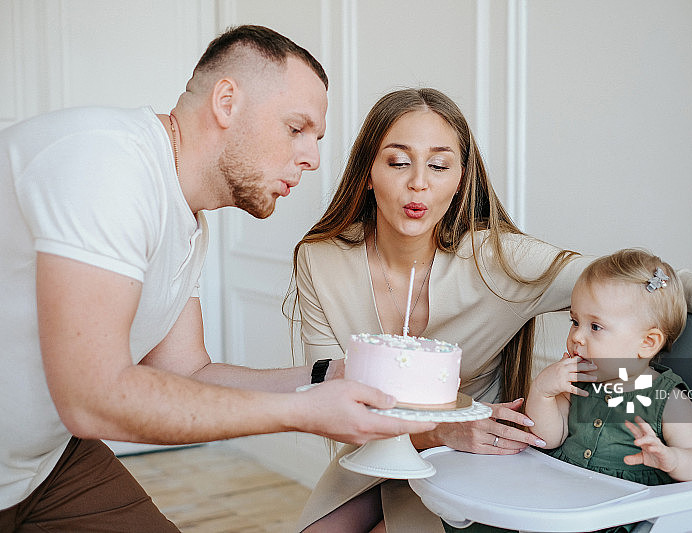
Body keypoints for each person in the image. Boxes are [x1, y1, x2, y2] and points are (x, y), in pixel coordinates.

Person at [289, 87, 692, 533]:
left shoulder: (503, 261)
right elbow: (328, 398)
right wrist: (439, 429)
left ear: (462, 179)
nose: (418, 183)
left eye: (439, 165)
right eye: (398, 161)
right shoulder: (320, 260)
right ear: (368, 172)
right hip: (373, 452)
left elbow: (644, 285)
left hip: (474, 467)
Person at [0, 25, 435, 531]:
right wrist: (306, 412)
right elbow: (93, 399)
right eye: (297, 128)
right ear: (226, 101)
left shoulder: (187, 221)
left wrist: (326, 378)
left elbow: (186, 372)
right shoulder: (107, 165)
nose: (312, 158)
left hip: (44, 466)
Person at [522, 249, 692, 533]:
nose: (577, 336)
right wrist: (542, 392)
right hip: (562, 505)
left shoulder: (667, 398)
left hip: (622, 517)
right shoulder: (575, 380)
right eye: (574, 321)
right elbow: (548, 438)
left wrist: (671, 459)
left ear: (647, 343)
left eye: (595, 326)